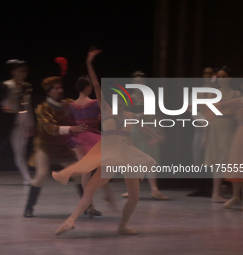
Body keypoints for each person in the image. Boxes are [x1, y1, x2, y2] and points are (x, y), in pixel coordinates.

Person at [52, 48, 162, 235]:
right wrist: (89, 63)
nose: (118, 102)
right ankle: (70, 220)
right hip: (110, 154)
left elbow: (143, 127)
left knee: (134, 196)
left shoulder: (130, 115)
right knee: (91, 189)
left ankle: (123, 225)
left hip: (127, 153)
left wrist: (155, 135)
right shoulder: (107, 110)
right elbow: (95, 84)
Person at [24, 76, 87, 217]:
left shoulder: (68, 104)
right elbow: (51, 128)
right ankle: (29, 207)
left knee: (79, 175)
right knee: (41, 175)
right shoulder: (42, 109)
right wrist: (72, 128)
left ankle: (88, 207)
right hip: (45, 146)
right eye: (56, 88)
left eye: (61, 87)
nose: (60, 90)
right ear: (49, 92)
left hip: (62, 146)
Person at [70, 76, 116, 216]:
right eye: (89, 86)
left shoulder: (72, 105)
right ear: (86, 87)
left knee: (86, 171)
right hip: (92, 138)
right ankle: (106, 194)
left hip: (77, 139)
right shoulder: (95, 103)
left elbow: (75, 120)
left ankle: (89, 206)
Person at [121, 71, 168, 200]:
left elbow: (156, 116)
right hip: (135, 131)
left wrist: (159, 133)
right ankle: (132, 189)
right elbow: (127, 116)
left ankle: (154, 189)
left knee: (150, 160)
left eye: (142, 82)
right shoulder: (129, 99)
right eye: (137, 82)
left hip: (149, 131)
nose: (139, 84)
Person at [205, 78, 243, 210]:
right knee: (239, 166)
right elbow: (220, 106)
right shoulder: (239, 101)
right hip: (241, 135)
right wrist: (208, 118)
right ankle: (236, 196)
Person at [204, 66, 241, 203]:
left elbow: (238, 114)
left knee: (227, 158)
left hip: (229, 127)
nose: (220, 79)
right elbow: (208, 114)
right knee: (217, 160)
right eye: (218, 77)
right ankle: (216, 192)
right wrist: (204, 134)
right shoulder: (213, 93)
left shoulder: (236, 94)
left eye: (223, 76)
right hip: (216, 127)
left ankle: (231, 191)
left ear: (229, 78)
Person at [0, 59, 35, 185]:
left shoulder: (27, 86)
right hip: (9, 121)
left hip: (22, 121)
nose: (23, 74)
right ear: (13, 72)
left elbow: (27, 106)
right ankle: (26, 177)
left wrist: (31, 124)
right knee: (8, 148)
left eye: (24, 71)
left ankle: (26, 177)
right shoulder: (7, 85)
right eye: (20, 71)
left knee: (21, 150)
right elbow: (1, 102)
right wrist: (5, 107)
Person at [187, 66, 216, 197]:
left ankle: (212, 187)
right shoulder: (197, 91)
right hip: (199, 128)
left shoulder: (217, 90)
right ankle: (201, 187)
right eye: (205, 73)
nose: (207, 75)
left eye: (210, 73)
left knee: (212, 158)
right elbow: (190, 109)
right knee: (197, 158)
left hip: (214, 128)